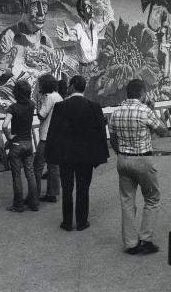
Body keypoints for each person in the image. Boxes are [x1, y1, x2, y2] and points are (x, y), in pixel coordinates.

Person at [108, 79, 170, 254]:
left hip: (123, 160)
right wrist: (154, 111)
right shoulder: (145, 110)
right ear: (142, 93)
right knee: (152, 198)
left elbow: (113, 138)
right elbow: (163, 131)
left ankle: (130, 244)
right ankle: (146, 239)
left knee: (127, 201)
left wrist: (120, 153)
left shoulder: (116, 111)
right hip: (142, 160)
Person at [45, 75, 109, 231]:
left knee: (67, 189)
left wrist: (51, 154)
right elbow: (100, 132)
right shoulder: (94, 106)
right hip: (86, 157)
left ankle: (67, 222)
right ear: (84, 88)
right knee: (83, 189)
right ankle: (81, 222)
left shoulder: (61, 107)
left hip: (66, 156)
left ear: (72, 87)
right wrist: (99, 156)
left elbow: (53, 132)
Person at [2, 80, 37, 212]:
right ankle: (34, 203)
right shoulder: (32, 105)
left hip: (16, 144)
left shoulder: (13, 108)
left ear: (16, 92)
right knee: (30, 173)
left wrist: (9, 136)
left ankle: (18, 205)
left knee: (16, 175)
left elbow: (5, 125)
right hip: (28, 143)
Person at [34, 73, 63, 203]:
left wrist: (37, 103)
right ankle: (52, 193)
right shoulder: (58, 96)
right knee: (53, 166)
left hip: (46, 136)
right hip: (56, 136)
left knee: (37, 166)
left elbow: (41, 115)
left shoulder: (48, 98)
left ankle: (34, 194)